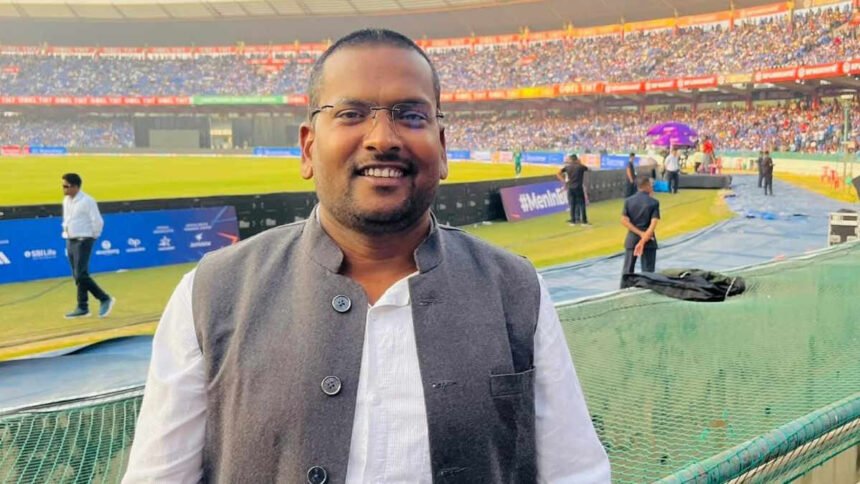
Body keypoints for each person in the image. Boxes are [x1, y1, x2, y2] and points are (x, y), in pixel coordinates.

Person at [124, 29, 610, 484]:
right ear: (308, 147)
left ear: (442, 148)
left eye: (411, 115)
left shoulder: (515, 289)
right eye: (351, 114)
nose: (383, 138)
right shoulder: (212, 293)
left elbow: (576, 474)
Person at [61, 173, 115, 319]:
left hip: (83, 240)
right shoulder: (66, 201)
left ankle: (104, 298)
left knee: (81, 274)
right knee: (77, 275)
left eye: (66, 186)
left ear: (75, 187)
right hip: (70, 239)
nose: (63, 189)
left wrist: (93, 236)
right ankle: (82, 306)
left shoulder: (87, 201)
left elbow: (97, 220)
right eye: (63, 186)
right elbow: (68, 219)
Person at [621, 175, 661, 284]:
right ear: (647, 185)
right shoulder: (653, 202)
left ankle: (623, 289)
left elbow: (624, 221)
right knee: (648, 272)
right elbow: (653, 223)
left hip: (632, 239)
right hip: (648, 240)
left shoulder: (628, 201)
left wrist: (639, 233)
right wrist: (644, 238)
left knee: (627, 270)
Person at [557, 153, 590, 226]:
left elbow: (558, 173)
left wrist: (564, 181)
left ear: (571, 160)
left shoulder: (567, 167)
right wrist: (580, 163)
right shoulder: (580, 167)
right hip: (578, 187)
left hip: (570, 187)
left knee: (572, 204)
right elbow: (587, 169)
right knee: (582, 204)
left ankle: (573, 220)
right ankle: (584, 221)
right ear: (577, 159)